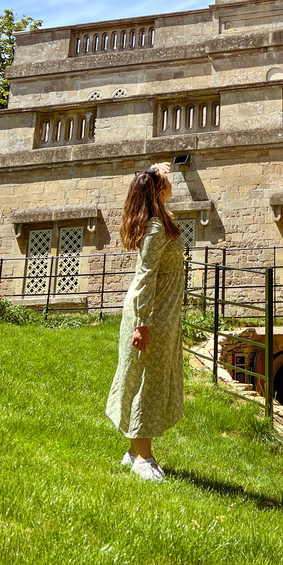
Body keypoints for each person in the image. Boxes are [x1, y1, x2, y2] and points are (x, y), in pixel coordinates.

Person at [105, 162, 184, 481]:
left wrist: (154, 169)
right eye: (166, 180)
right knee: (146, 381)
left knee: (148, 377)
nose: (170, 182)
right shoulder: (154, 228)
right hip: (151, 314)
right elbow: (144, 277)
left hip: (162, 313)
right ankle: (144, 458)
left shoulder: (160, 218)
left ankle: (133, 450)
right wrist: (142, 323)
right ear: (159, 191)